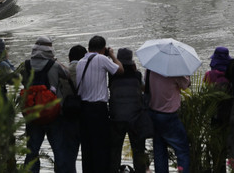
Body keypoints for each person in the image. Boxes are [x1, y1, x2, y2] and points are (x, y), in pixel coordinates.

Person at [21, 36, 76, 173]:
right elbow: (68, 75)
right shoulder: (54, 66)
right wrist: (56, 61)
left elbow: (20, 82)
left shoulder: (25, 65)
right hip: (54, 114)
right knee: (59, 150)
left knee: (32, 151)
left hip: (33, 114)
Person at [75, 35, 122, 171]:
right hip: (98, 109)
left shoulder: (80, 62)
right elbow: (120, 70)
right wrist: (112, 55)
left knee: (87, 147)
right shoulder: (101, 59)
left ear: (88, 48)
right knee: (101, 146)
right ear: (103, 49)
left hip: (83, 109)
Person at [108, 48, 149, 173]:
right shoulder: (137, 75)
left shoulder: (112, 75)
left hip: (116, 117)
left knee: (115, 150)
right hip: (135, 118)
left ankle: (113, 170)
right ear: (132, 62)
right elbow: (144, 88)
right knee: (138, 150)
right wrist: (135, 70)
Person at [146, 64, 192, 173]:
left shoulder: (150, 69)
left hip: (153, 113)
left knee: (159, 151)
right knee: (182, 150)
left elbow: (146, 86)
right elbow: (186, 84)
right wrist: (187, 73)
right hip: (169, 116)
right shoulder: (174, 69)